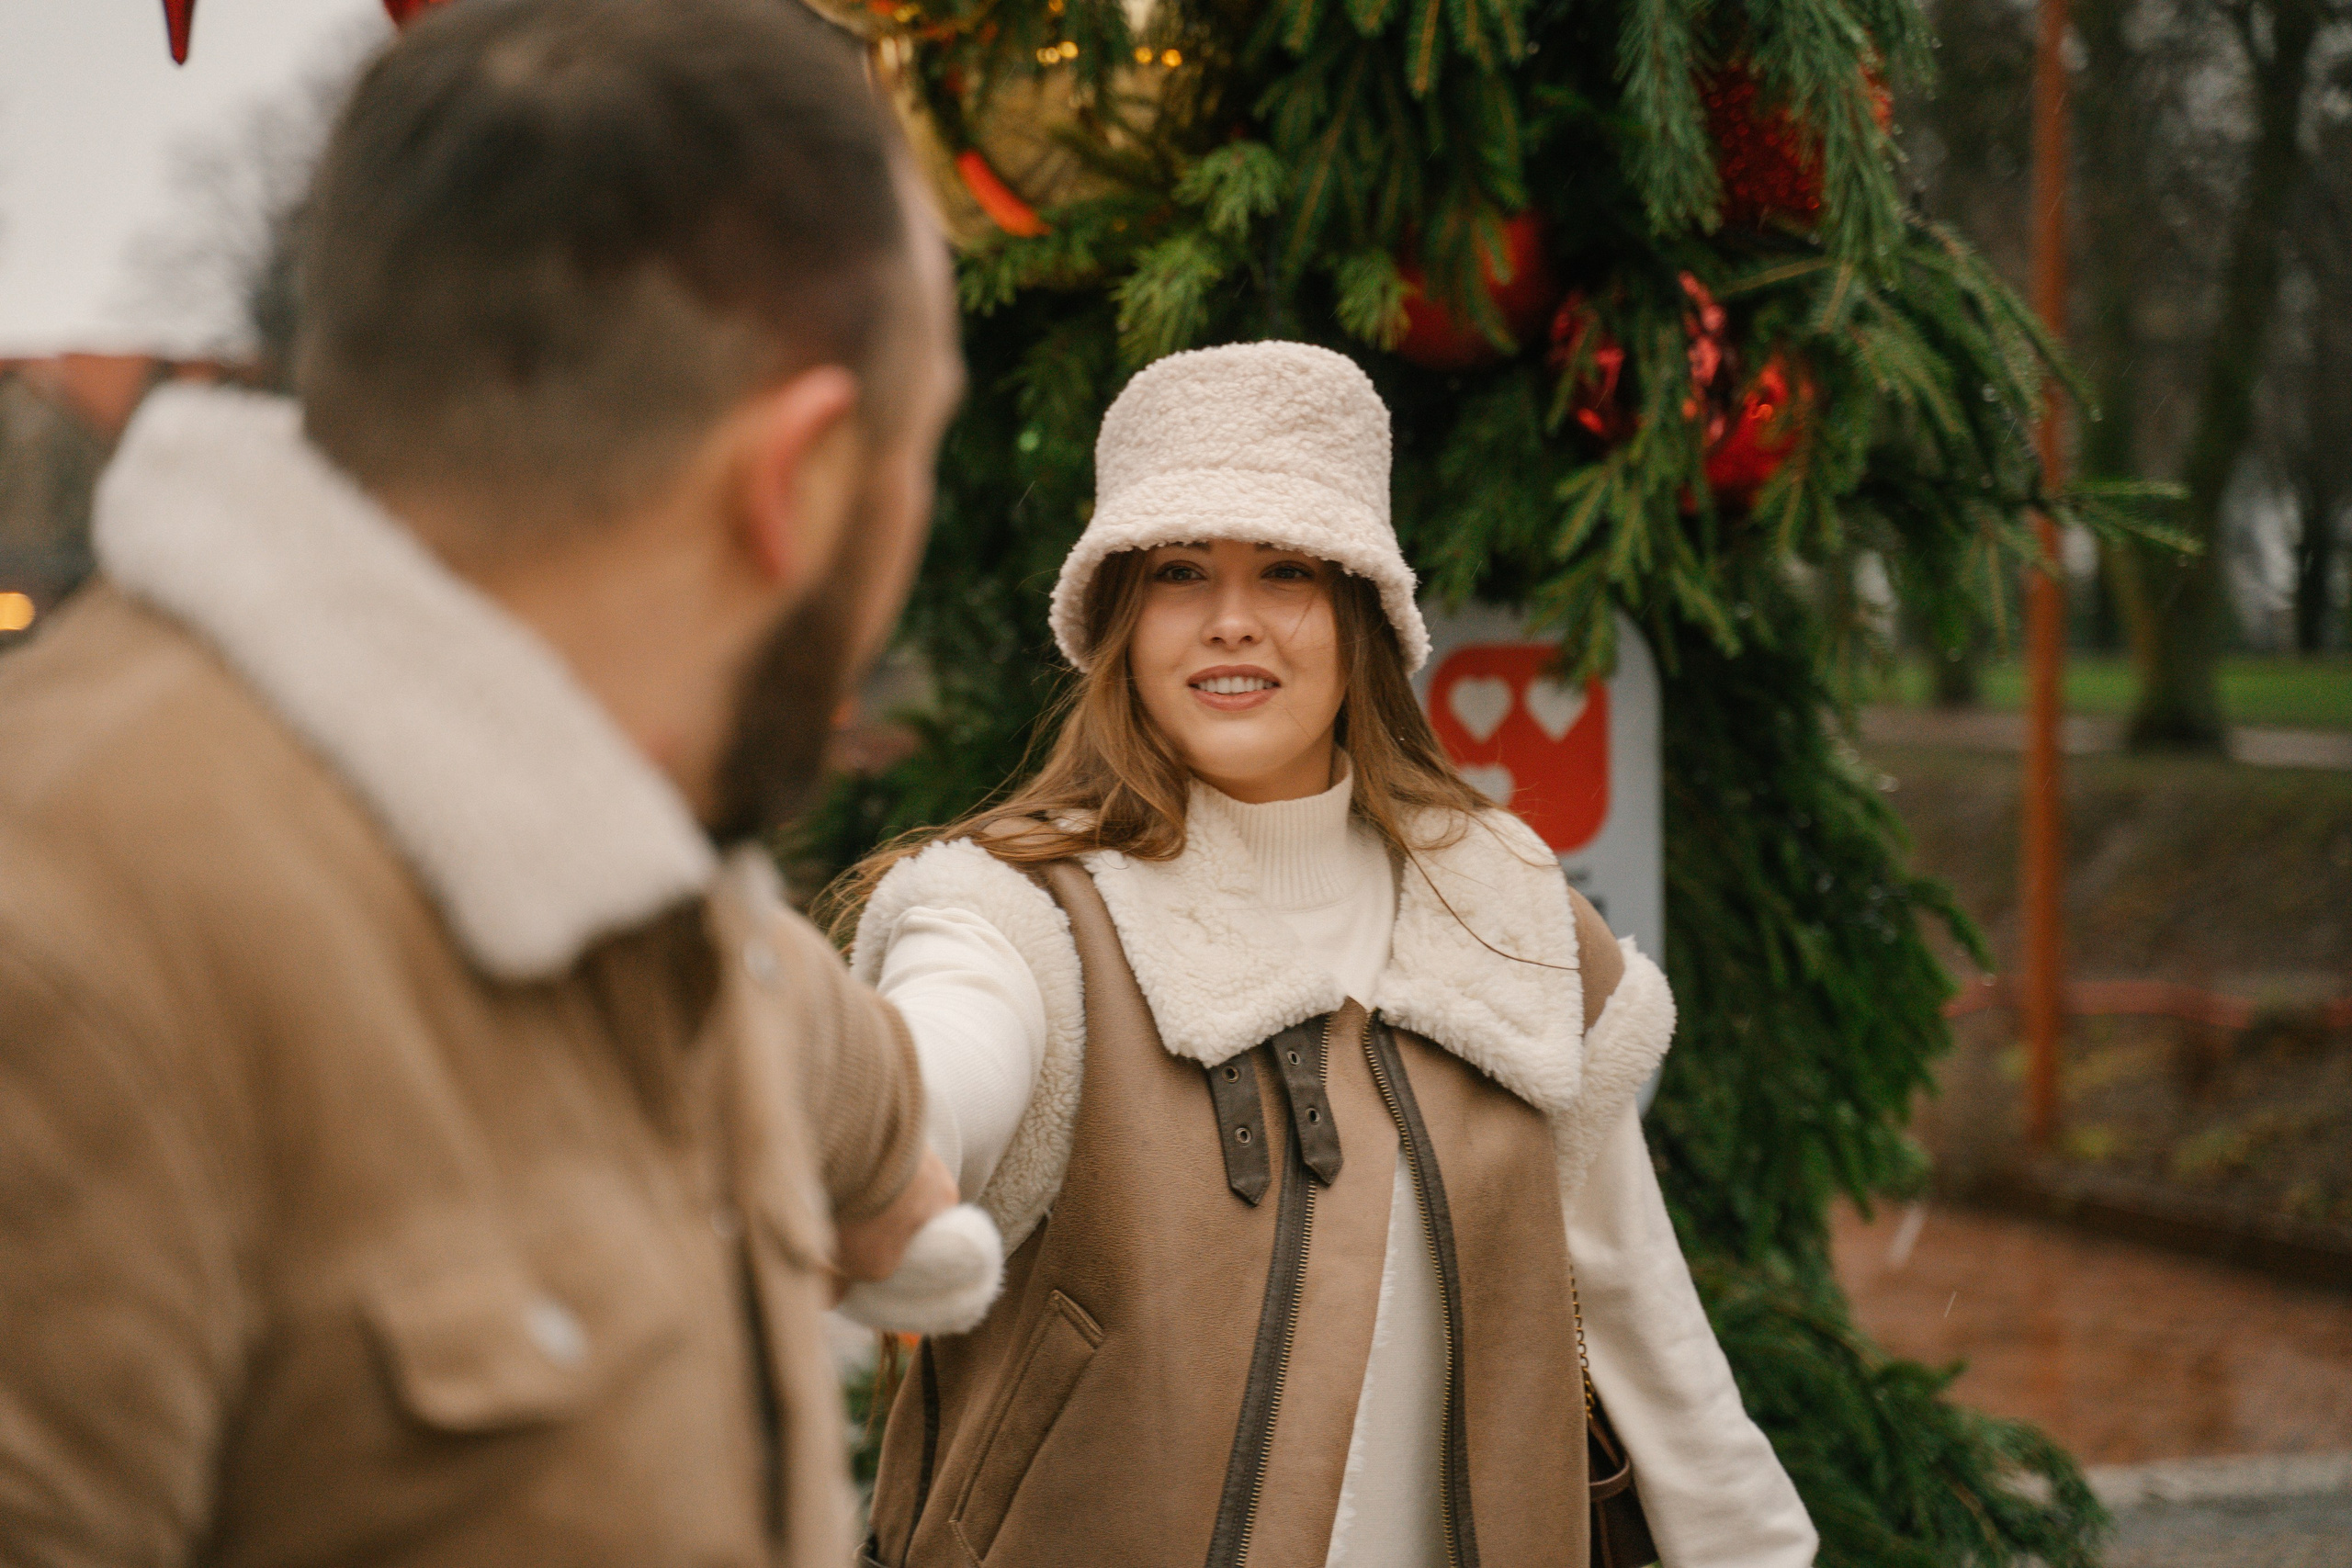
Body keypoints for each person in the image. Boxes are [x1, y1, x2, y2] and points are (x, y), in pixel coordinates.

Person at [0, 1, 976, 1562]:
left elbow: (819, 1051)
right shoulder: (71, 954)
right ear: (795, 480)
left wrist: (902, 1185)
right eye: (922, 453)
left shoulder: (637, 896)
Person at [837, 342, 1818, 1567]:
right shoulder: (1020, 914)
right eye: (1182, 570)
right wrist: (886, 1146)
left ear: (1360, 610)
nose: (1232, 621)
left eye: (1286, 569)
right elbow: (948, 1052)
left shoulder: (1504, 906)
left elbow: (1637, 1305)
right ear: (1120, 616)